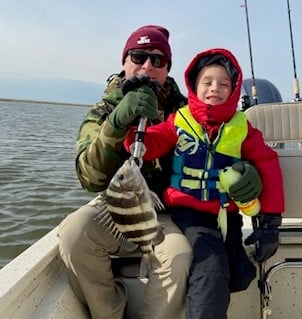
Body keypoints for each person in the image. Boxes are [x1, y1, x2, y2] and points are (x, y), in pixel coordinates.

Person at [123, 47, 284, 319]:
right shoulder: (179, 120)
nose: (215, 88)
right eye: (207, 82)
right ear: (193, 86)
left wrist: (270, 222)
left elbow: (268, 164)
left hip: (228, 215)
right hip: (190, 213)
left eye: (224, 84)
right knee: (212, 268)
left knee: (235, 267)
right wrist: (130, 125)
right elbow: (148, 144)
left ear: (234, 90)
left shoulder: (242, 127)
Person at [57, 25, 193, 319]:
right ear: (124, 61)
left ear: (167, 68)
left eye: (158, 60)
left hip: (164, 214)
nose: (147, 66)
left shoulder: (183, 111)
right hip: (113, 207)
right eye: (138, 56)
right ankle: (110, 313)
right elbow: (88, 178)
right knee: (73, 235)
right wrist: (116, 123)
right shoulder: (103, 110)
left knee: (178, 257)